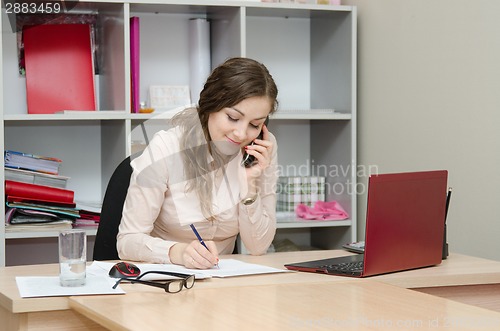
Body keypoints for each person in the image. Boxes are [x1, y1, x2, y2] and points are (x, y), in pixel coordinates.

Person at [117, 57, 279, 269]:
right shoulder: (167, 147)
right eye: (232, 117)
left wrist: (250, 187)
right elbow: (127, 241)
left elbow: (258, 247)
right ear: (211, 106)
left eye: (254, 124)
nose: (241, 134)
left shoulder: (261, 150)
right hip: (166, 279)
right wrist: (178, 252)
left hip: (223, 285)